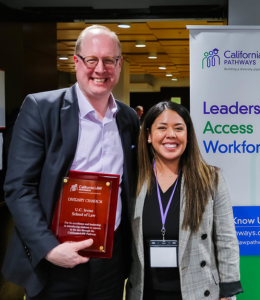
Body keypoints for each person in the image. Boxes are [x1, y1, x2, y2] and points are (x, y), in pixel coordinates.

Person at [2, 25, 140, 300]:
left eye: (109, 60)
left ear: (119, 64)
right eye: (92, 59)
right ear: (76, 62)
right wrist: (49, 249)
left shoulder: (128, 119)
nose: (100, 69)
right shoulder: (41, 109)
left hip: (110, 263)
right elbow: (19, 187)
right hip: (55, 260)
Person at [126, 101, 243, 300]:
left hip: (200, 292)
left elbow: (226, 240)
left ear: (188, 135)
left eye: (178, 128)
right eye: (161, 128)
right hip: (145, 292)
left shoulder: (211, 179)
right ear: (148, 135)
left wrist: (228, 293)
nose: (170, 134)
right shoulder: (135, 180)